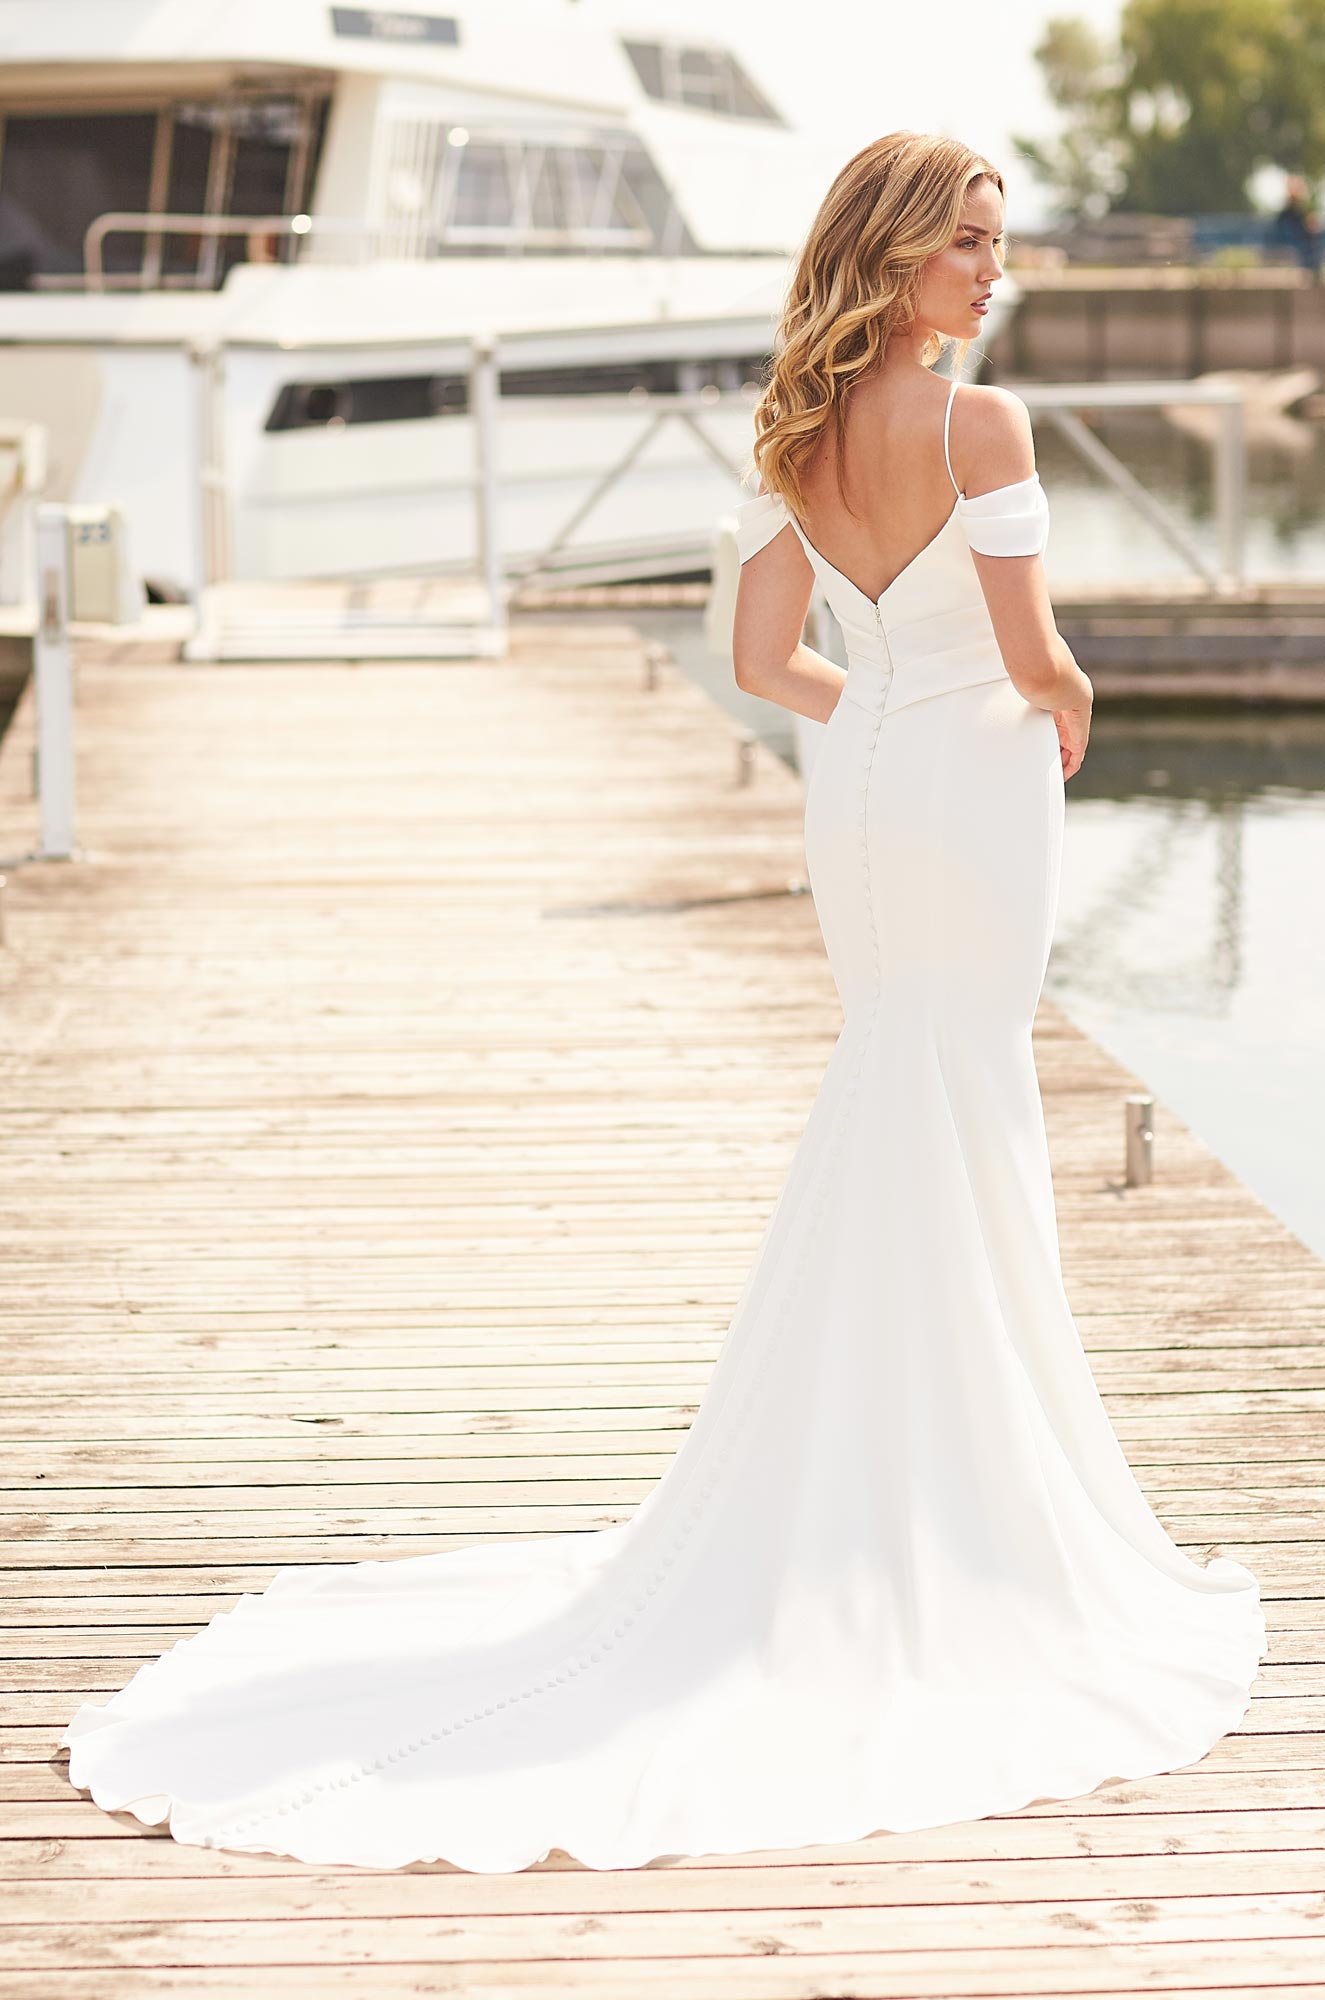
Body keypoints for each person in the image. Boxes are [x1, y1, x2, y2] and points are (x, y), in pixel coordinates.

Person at [59, 131, 1266, 1875]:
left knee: (894, 1087)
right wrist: (1063, 709)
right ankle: (978, 1512)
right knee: (969, 1094)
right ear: (899, 252)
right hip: (968, 788)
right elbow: (1032, 658)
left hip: (856, 782)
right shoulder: (976, 425)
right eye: (970, 248)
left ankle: (869, 1478)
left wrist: (876, 701)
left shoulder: (797, 430)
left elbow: (759, 659)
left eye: (994, 246)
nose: (992, 276)